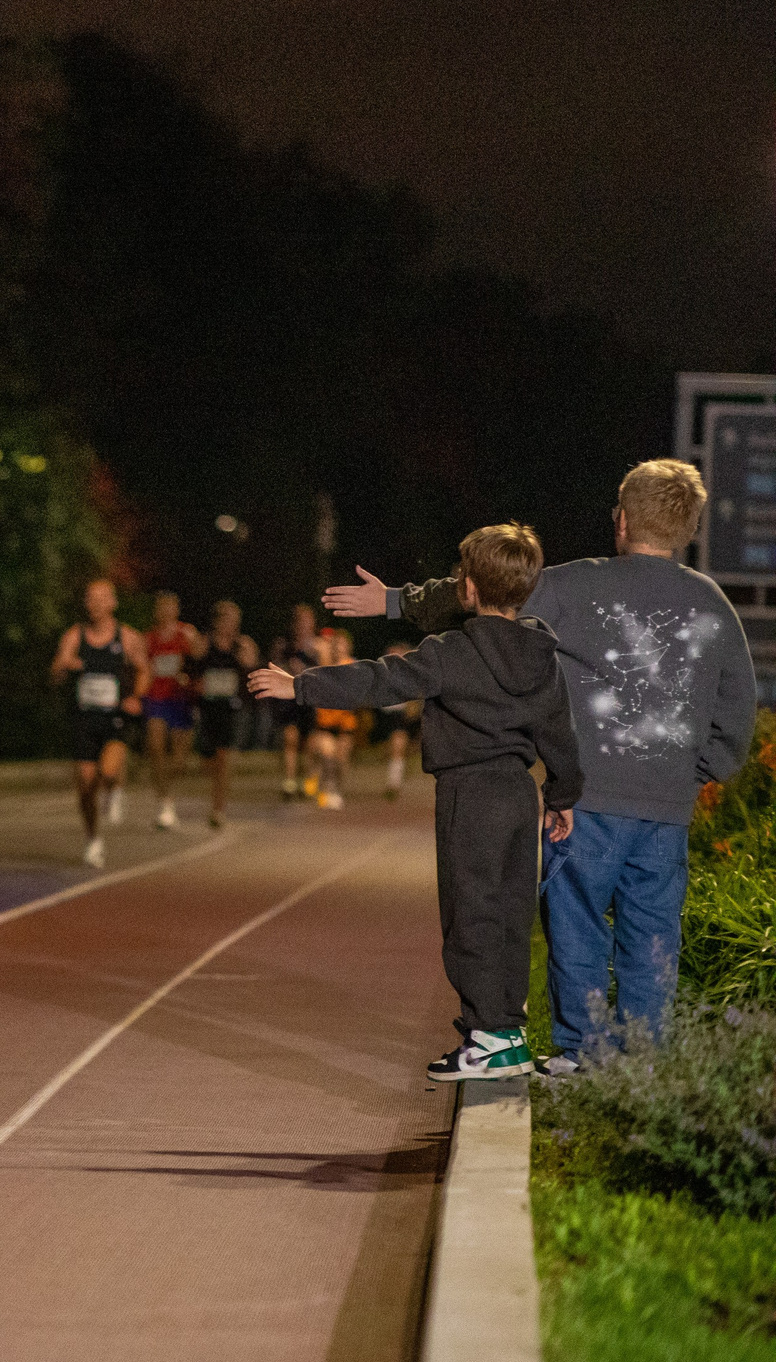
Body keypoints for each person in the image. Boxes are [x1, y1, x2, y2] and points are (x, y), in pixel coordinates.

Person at [326, 459, 754, 1070]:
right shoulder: (713, 603)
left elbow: (487, 595)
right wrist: (702, 770)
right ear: (687, 528)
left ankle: (582, 1052)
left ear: (623, 519)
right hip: (666, 807)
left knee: (577, 925)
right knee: (653, 935)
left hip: (587, 803)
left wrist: (396, 600)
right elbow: (737, 704)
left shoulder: (574, 585)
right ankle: (643, 1063)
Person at [256, 524, 582, 1080]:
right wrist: (562, 795)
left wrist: (301, 686)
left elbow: (382, 681)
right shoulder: (542, 656)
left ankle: (486, 1039)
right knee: (509, 912)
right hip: (517, 793)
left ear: (471, 589)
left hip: (468, 793)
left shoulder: (453, 651)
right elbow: (560, 733)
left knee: (469, 914)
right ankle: (509, 1031)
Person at [50, 578, 144, 869]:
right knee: (85, 784)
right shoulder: (75, 636)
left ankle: (115, 788)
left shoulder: (126, 637)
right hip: (84, 718)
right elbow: (56, 670)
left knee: (108, 770)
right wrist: (64, 666)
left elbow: (144, 669)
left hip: (115, 717)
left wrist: (136, 696)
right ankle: (93, 839)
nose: (95, 604)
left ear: (113, 603)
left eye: (102, 598)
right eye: (91, 598)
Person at [188, 600, 257, 829]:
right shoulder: (204, 643)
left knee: (224, 759)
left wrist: (246, 657)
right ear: (216, 621)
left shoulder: (242, 644)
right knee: (208, 762)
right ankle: (216, 794)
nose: (230, 624)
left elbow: (252, 667)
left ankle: (218, 809)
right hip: (208, 708)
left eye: (234, 620)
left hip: (232, 708)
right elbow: (190, 668)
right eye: (225, 619)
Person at [138, 591, 204, 829]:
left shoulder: (186, 633)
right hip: (156, 698)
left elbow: (199, 659)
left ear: (176, 610)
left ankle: (170, 796)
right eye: (161, 607)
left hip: (180, 699)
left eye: (170, 607)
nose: (166, 611)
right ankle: (163, 801)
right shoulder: (148, 638)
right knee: (156, 747)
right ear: (157, 611)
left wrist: (193, 647)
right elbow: (141, 666)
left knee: (179, 761)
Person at [266, 604, 324, 800]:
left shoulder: (318, 645)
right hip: (288, 699)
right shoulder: (283, 645)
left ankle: (305, 782)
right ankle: (289, 782)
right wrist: (288, 669)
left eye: (307, 620)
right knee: (289, 738)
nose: (303, 625)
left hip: (309, 698)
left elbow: (326, 670)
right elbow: (273, 666)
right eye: (299, 621)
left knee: (309, 744)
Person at [307, 626, 358, 810]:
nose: (338, 649)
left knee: (341, 760)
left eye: (342, 645)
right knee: (327, 755)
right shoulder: (322, 666)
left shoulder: (353, 666)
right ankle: (327, 790)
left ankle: (337, 790)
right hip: (325, 723)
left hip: (345, 722)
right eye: (335, 645)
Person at [371, 642, 421, 799]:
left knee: (398, 744)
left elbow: (415, 706)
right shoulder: (379, 675)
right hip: (382, 717)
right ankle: (395, 775)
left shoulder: (411, 678)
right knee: (392, 749)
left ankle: (394, 784)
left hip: (400, 718)